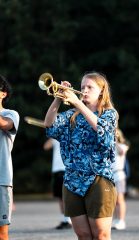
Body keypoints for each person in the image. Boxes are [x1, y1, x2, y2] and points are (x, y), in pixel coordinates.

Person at [44, 71, 118, 240]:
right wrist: (57, 98)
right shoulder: (71, 115)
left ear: (101, 91)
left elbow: (102, 132)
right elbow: (49, 125)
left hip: (98, 178)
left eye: (90, 87)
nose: (84, 90)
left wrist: (77, 102)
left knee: (101, 235)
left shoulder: (109, 113)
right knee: (83, 235)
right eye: (82, 86)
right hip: (72, 181)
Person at [0, 75, 20, 240]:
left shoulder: (11, 114)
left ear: (3, 93)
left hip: (1, 179)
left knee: (2, 234)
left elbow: (4, 124)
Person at [43, 138, 72, 229]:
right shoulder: (55, 136)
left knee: (66, 196)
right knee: (60, 196)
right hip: (56, 169)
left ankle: (69, 220)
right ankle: (64, 219)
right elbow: (46, 147)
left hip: (66, 168)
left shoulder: (70, 134)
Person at [111, 129, 129, 230]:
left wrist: (115, 141)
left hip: (118, 175)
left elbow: (121, 152)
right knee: (112, 201)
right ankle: (115, 220)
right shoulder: (109, 146)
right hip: (110, 175)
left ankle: (121, 221)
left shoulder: (123, 146)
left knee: (119, 200)